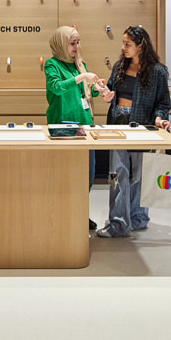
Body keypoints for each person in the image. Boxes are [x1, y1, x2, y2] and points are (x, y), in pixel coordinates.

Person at [97, 25, 171, 238]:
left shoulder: (157, 72)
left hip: (142, 125)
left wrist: (159, 118)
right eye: (123, 43)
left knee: (139, 175)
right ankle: (119, 224)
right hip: (118, 122)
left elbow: (163, 103)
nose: (123, 47)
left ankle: (138, 218)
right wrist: (107, 94)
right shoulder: (120, 66)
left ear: (141, 46)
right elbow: (111, 90)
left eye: (128, 44)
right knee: (118, 174)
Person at [44, 25, 107, 230]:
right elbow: (57, 87)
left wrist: (99, 89)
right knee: (65, 174)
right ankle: (63, 213)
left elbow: (86, 93)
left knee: (87, 174)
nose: (76, 47)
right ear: (62, 43)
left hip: (85, 124)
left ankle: (80, 212)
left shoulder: (80, 64)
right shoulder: (52, 65)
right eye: (72, 43)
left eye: (78, 42)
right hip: (63, 126)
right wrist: (82, 77)